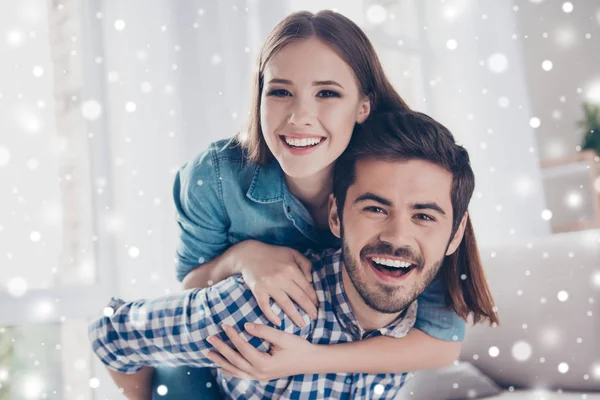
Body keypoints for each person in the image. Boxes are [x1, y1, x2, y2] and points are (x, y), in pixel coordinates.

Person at [109, 9, 467, 399]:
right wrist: (243, 258)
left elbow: (441, 341)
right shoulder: (213, 177)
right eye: (280, 91)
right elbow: (192, 288)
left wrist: (308, 359)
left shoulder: (408, 179)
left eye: (327, 93)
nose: (300, 116)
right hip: (213, 371)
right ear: (259, 97)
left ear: (364, 105)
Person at [89, 110, 499, 400]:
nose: (397, 236)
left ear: (454, 235)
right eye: (375, 209)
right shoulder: (264, 308)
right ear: (336, 217)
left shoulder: (420, 312)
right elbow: (111, 334)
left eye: (424, 216)